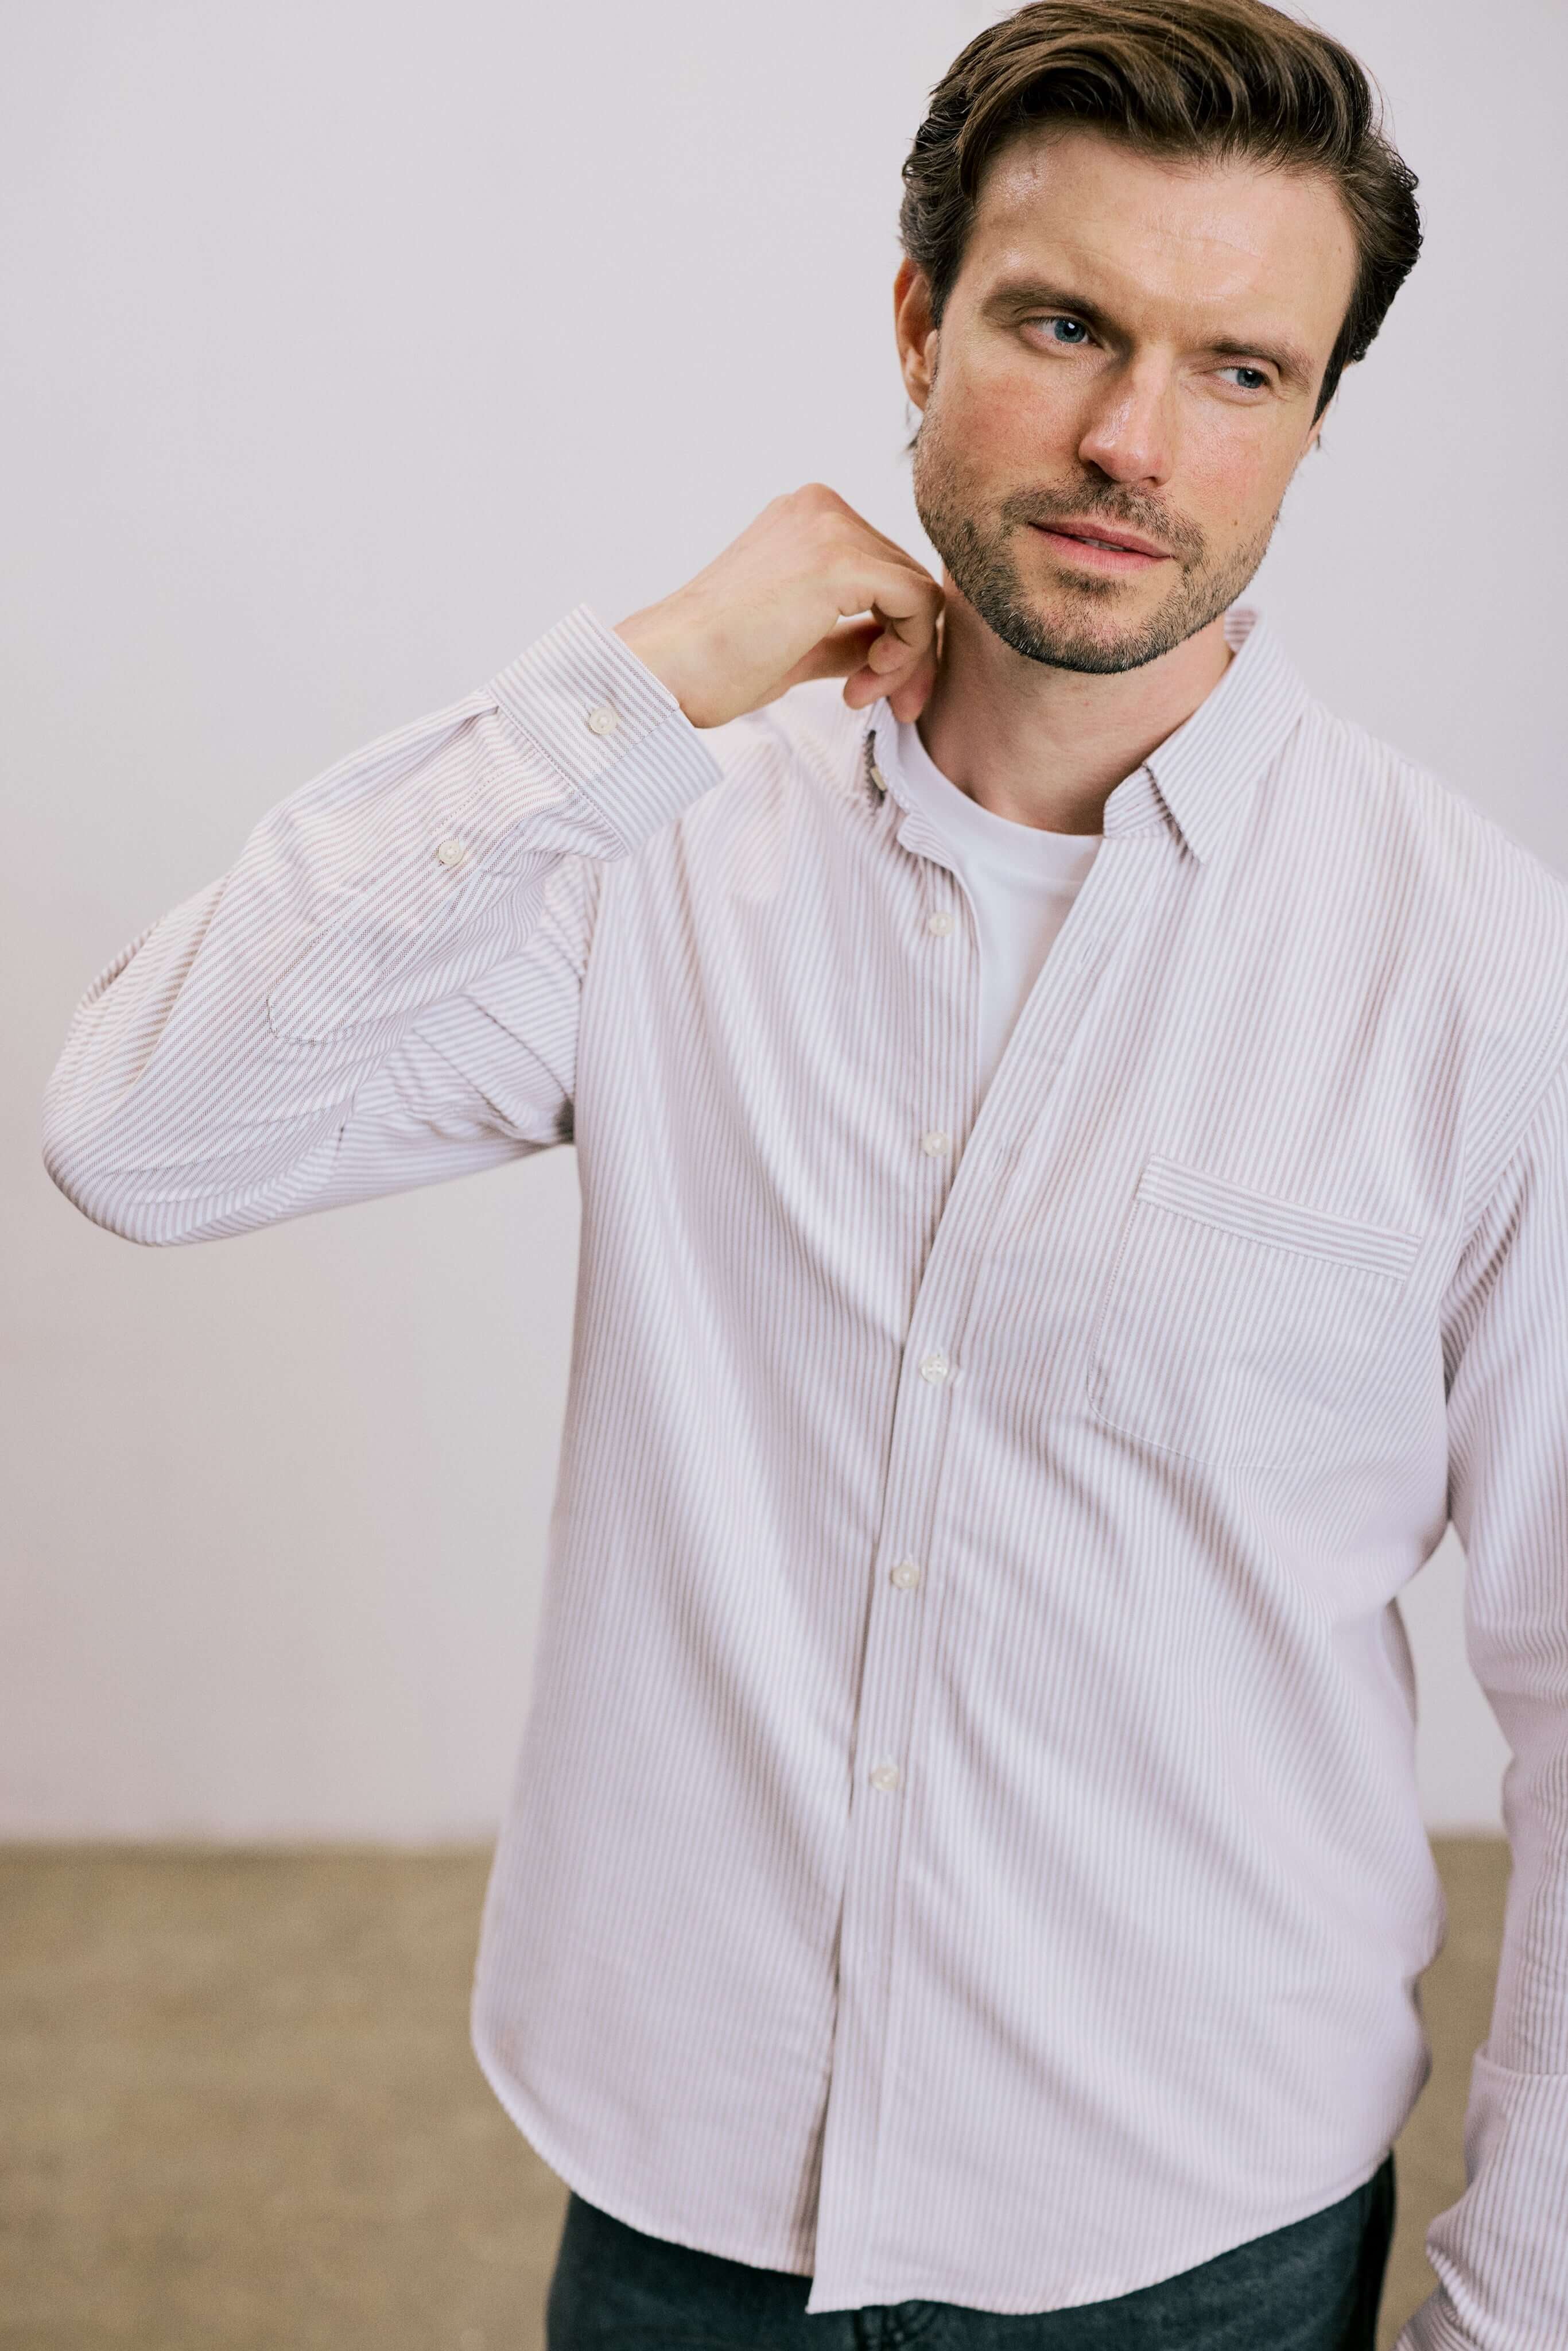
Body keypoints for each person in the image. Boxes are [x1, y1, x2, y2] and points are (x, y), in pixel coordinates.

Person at [41, 2, 1568, 2345]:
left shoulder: (1469, 973)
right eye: (1060, 324)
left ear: (1315, 414)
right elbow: (141, 1129)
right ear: (914, 315)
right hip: (675, 2204)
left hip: (1191, 2246)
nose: (1127, 442)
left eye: (1237, 371)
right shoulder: (659, 843)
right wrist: (640, 680)